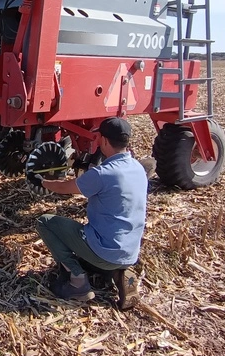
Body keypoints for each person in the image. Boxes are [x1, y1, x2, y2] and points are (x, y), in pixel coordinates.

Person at [36, 117, 148, 309]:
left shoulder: (104, 173)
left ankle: (77, 282)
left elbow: (65, 188)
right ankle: (121, 273)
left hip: (105, 251)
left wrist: (41, 181)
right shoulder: (138, 168)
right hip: (131, 252)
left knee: (45, 222)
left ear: (103, 140)